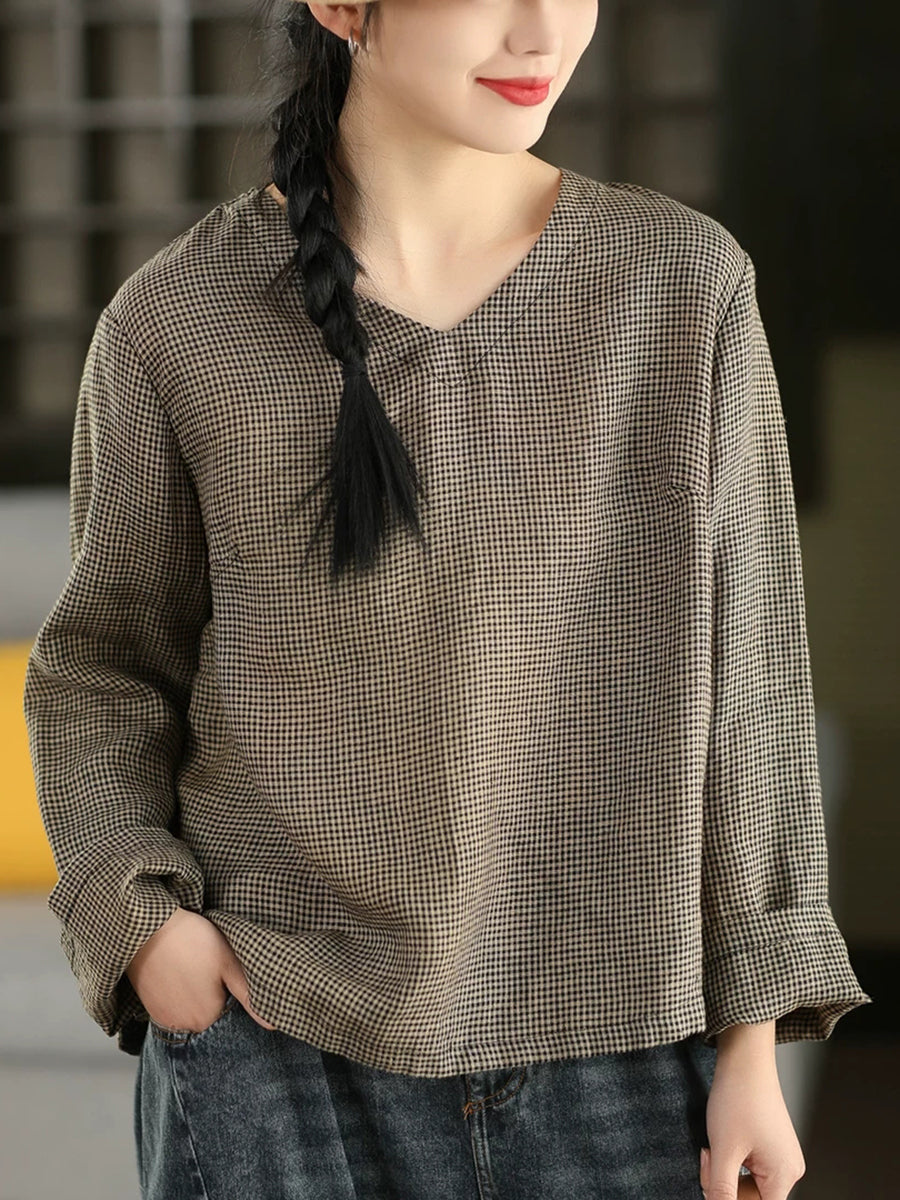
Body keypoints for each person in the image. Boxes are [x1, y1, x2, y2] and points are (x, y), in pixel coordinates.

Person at [23, 1, 872, 1198]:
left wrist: (750, 1048)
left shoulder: (682, 288)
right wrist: (145, 926)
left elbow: (755, 685)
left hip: (630, 1058)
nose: (543, 34)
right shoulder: (178, 322)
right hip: (276, 1043)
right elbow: (103, 671)